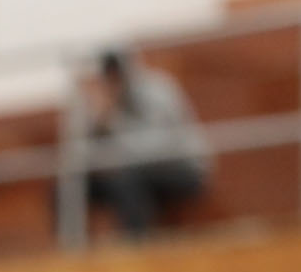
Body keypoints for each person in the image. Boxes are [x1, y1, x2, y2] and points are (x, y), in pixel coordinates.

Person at [82, 49, 209, 238]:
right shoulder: (103, 101)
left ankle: (137, 249)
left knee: (126, 179)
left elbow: (158, 147)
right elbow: (83, 155)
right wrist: (99, 123)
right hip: (132, 171)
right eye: (110, 75)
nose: (115, 79)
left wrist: (113, 125)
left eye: (117, 73)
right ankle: (71, 254)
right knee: (72, 186)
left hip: (182, 166)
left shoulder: (159, 90)